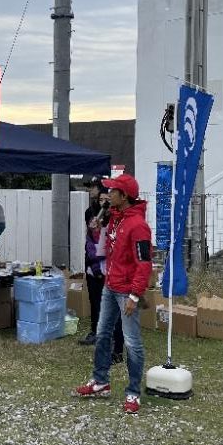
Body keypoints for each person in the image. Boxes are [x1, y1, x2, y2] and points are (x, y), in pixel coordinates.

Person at [74, 173, 152, 414]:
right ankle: (100, 382)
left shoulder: (138, 226)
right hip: (110, 286)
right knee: (102, 334)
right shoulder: (117, 218)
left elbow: (144, 263)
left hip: (126, 291)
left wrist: (135, 295)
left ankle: (133, 393)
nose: (108, 194)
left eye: (113, 191)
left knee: (132, 343)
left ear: (124, 195)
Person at [80, 178, 125, 363]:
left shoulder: (119, 219)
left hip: (113, 271)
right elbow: (91, 242)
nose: (104, 203)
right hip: (94, 267)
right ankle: (99, 336)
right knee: (97, 302)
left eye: (107, 199)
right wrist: (94, 266)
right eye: (101, 200)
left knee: (115, 310)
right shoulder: (92, 216)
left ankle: (118, 347)